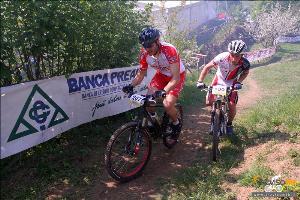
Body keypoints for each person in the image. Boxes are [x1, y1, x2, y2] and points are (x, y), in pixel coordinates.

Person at [122, 27, 186, 135]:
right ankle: (155, 123)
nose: (148, 49)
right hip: (161, 76)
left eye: (150, 45)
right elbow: (140, 74)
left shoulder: (169, 50)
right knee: (149, 102)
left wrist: (163, 91)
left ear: (157, 41)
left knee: (167, 104)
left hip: (176, 76)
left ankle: (176, 122)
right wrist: (131, 85)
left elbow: (175, 78)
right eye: (145, 46)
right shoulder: (144, 53)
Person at [196, 40, 250, 135]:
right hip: (219, 79)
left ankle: (229, 124)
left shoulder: (245, 63)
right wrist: (200, 81)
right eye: (232, 54)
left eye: (237, 55)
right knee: (208, 102)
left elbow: (245, 73)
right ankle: (215, 114)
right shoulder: (221, 57)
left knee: (232, 105)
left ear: (242, 55)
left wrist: (239, 82)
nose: (233, 58)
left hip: (232, 82)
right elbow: (207, 67)